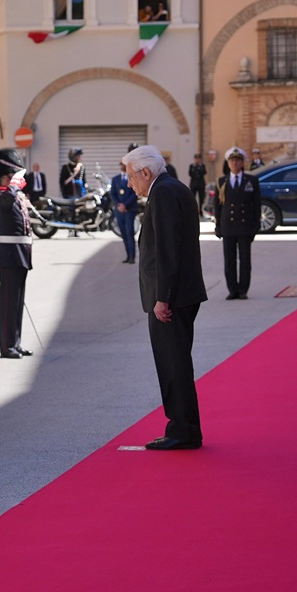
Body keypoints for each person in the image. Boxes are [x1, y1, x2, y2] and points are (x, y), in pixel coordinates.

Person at [123, 144, 206, 450]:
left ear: (145, 172)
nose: (129, 184)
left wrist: (163, 297)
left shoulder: (163, 193)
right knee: (176, 361)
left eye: (131, 177)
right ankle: (184, 427)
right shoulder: (173, 188)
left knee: (173, 364)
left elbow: (167, 249)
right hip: (179, 293)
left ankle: (182, 430)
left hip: (172, 297)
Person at [0, 149, 33, 358]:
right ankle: (7, 346)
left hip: (20, 253)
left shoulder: (13, 196)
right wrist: (14, 186)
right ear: (6, 178)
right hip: (9, 254)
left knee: (17, 303)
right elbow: (6, 200)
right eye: (13, 176)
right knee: (8, 303)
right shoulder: (2, 195)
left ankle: (15, 342)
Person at [216, 147, 261, 300]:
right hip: (228, 226)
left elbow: (256, 204)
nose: (234, 163)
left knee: (245, 260)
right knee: (229, 260)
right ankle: (232, 289)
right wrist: (218, 226)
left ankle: (243, 290)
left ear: (242, 163)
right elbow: (218, 206)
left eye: (237, 160)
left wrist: (255, 225)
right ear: (228, 163)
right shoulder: (222, 181)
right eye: (232, 160)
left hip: (245, 225)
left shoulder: (251, 181)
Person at [111, 162, 139, 264]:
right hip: (119, 211)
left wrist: (125, 205)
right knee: (123, 234)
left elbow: (134, 194)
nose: (122, 166)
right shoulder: (116, 179)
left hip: (129, 210)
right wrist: (118, 205)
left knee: (129, 233)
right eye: (121, 164)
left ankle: (132, 257)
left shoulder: (132, 178)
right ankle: (127, 256)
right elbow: (113, 193)